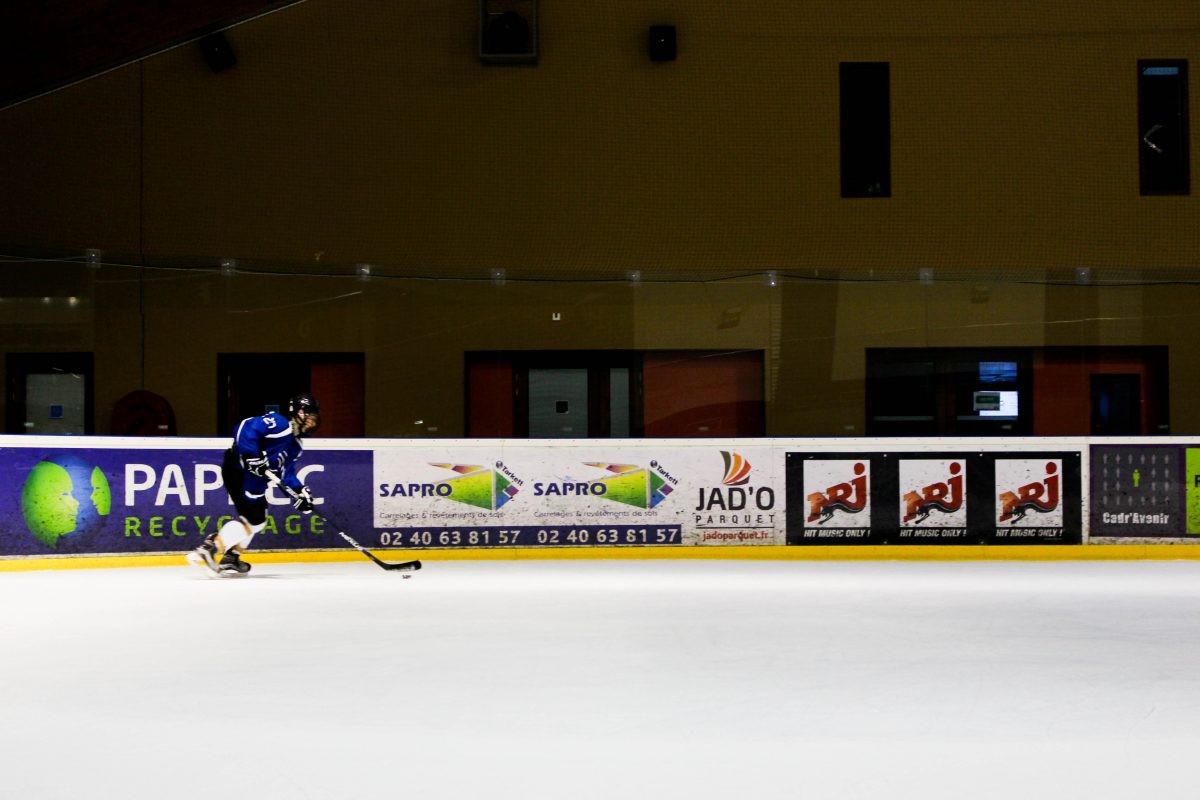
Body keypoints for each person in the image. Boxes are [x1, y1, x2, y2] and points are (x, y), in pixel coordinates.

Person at [187, 393, 321, 575]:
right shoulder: (279, 423)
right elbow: (245, 427)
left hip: (255, 481)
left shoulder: (296, 445)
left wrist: (298, 492)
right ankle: (211, 547)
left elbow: (285, 473)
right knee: (255, 519)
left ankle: (230, 558)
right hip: (238, 470)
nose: (312, 423)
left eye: (315, 420)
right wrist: (251, 455)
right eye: (310, 417)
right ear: (298, 412)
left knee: (258, 520)